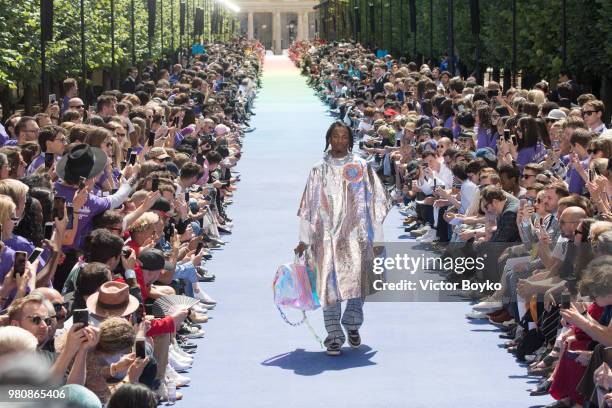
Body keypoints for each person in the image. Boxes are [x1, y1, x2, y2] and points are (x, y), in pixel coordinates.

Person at [294, 121, 390, 356]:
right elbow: (309, 206)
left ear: (350, 139)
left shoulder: (362, 166)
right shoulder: (318, 169)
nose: (339, 141)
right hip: (325, 238)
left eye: (344, 137)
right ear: (328, 139)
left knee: (359, 283)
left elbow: (375, 203)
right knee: (329, 286)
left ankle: (352, 323)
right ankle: (334, 335)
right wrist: (303, 239)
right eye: (335, 137)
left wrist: (378, 239)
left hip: (357, 238)